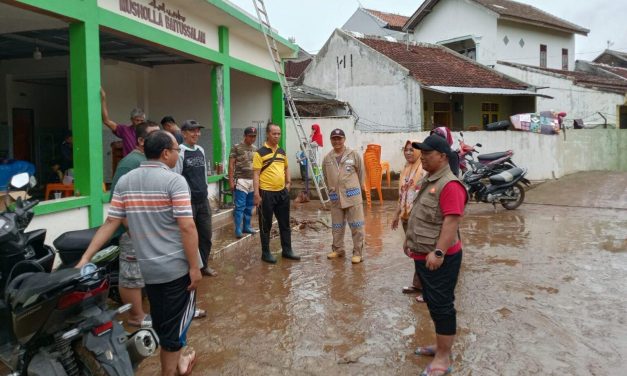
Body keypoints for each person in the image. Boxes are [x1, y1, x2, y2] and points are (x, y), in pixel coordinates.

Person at [77, 130, 201, 376]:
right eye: (176, 149)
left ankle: (175, 361)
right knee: (174, 329)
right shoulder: (175, 181)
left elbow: (111, 222)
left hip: (149, 269)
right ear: (166, 153)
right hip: (176, 268)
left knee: (164, 320)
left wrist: (85, 258)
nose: (178, 154)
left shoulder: (126, 181)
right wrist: (195, 267)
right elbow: (187, 226)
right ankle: (171, 370)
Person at [404, 134, 468, 376]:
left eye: (428, 154)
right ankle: (440, 346)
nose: (424, 158)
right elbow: (421, 215)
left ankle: (443, 358)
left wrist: (439, 252)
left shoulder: (450, 185)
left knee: (442, 306)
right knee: (432, 303)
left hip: (441, 258)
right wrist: (408, 241)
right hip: (423, 256)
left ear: (442, 157)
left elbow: (451, 222)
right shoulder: (430, 179)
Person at [109, 121, 160, 328]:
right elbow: (117, 201)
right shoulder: (129, 163)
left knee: (142, 273)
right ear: (141, 141)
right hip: (132, 231)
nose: (160, 138)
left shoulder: (148, 161)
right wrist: (132, 230)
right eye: (154, 135)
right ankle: (136, 316)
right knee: (131, 274)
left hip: (147, 230)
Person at [253, 123, 300, 264]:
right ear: (268, 134)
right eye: (274, 133)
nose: (277, 136)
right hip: (266, 193)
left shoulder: (281, 152)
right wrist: (256, 194)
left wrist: (288, 183)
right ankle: (266, 253)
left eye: (279, 134)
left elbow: (286, 167)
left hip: (282, 193)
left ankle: (287, 250)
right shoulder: (259, 153)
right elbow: (255, 175)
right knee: (265, 224)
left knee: (284, 224)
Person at [174, 120, 217, 277]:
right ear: (183, 133)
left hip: (203, 201)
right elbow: (176, 177)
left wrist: (206, 191)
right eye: (192, 131)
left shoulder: (200, 150)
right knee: (189, 237)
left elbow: (204, 173)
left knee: (206, 236)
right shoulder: (180, 152)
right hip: (188, 202)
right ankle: (188, 269)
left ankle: (203, 266)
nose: (196, 134)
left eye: (198, 131)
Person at [322, 128, 365, 264]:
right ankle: (338, 249)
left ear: (344, 139)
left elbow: (361, 174)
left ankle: (358, 252)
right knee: (337, 226)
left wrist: (354, 187)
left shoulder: (353, 155)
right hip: (335, 198)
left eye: (339, 138)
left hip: (352, 197)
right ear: (330, 140)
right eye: (334, 138)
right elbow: (325, 177)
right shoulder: (327, 158)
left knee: (356, 226)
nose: (337, 141)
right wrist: (332, 189)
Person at [391, 140, 425, 302]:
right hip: (406, 216)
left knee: (423, 252)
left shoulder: (424, 169)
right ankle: (417, 285)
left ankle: (429, 290)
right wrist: (396, 215)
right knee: (414, 252)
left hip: (418, 217)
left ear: (419, 152)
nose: (409, 152)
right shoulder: (405, 169)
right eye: (406, 150)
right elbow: (402, 194)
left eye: (412, 150)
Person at [228, 126, 258, 238]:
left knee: (249, 206)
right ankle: (238, 229)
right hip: (241, 180)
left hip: (252, 180)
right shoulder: (236, 148)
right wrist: (231, 181)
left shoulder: (255, 149)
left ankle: (246, 226)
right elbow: (231, 165)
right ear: (245, 136)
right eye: (250, 136)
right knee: (240, 206)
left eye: (254, 136)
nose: (252, 138)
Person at [100, 87, 146, 157]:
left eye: (142, 120)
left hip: (144, 164)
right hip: (129, 164)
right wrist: (103, 99)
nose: (139, 122)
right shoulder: (125, 130)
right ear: (132, 119)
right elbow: (106, 121)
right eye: (137, 120)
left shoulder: (148, 132)